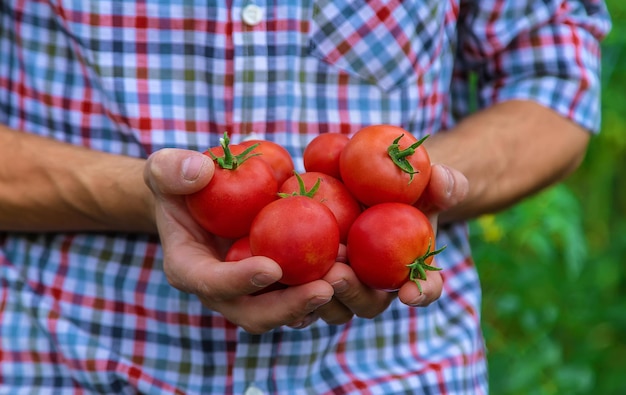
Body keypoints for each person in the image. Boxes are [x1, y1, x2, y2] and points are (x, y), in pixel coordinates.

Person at [0, 1, 611, 394]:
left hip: (397, 373)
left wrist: (409, 192)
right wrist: (145, 197)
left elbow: (554, 84)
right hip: (67, 361)